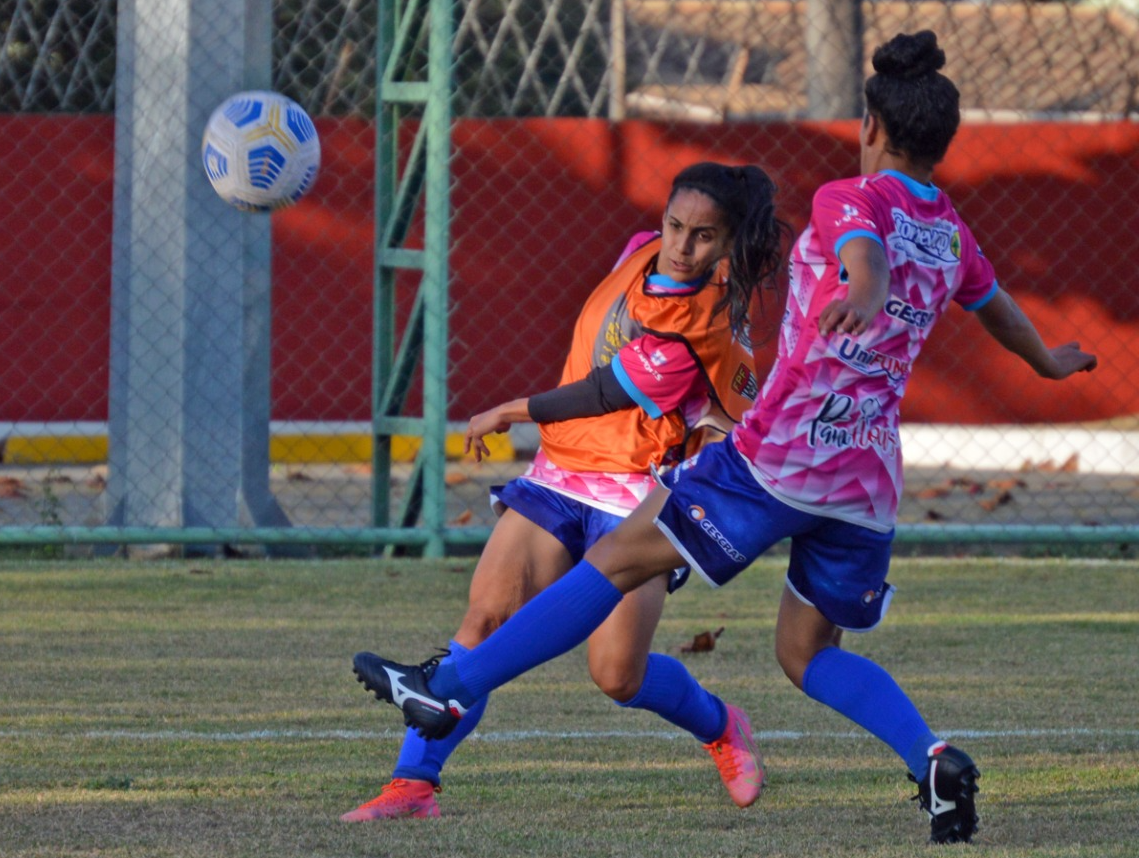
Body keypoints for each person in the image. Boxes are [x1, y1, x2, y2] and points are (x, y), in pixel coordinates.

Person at [351, 31, 1098, 844]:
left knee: (617, 560)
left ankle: (452, 685)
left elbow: (865, 257)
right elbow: (991, 303)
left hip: (782, 456)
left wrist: (865, 288)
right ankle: (933, 757)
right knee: (806, 653)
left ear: (871, 129)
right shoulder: (951, 231)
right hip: (868, 478)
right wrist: (1048, 363)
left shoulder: (852, 199)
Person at [342, 162, 789, 821]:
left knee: (617, 675)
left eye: (701, 236)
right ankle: (414, 785)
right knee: (486, 618)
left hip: (642, 497)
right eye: (674, 225)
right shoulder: (641, 252)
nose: (679, 244)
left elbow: (603, 391)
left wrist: (509, 411)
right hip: (561, 475)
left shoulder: (696, 326)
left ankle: (721, 724)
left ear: (727, 247)